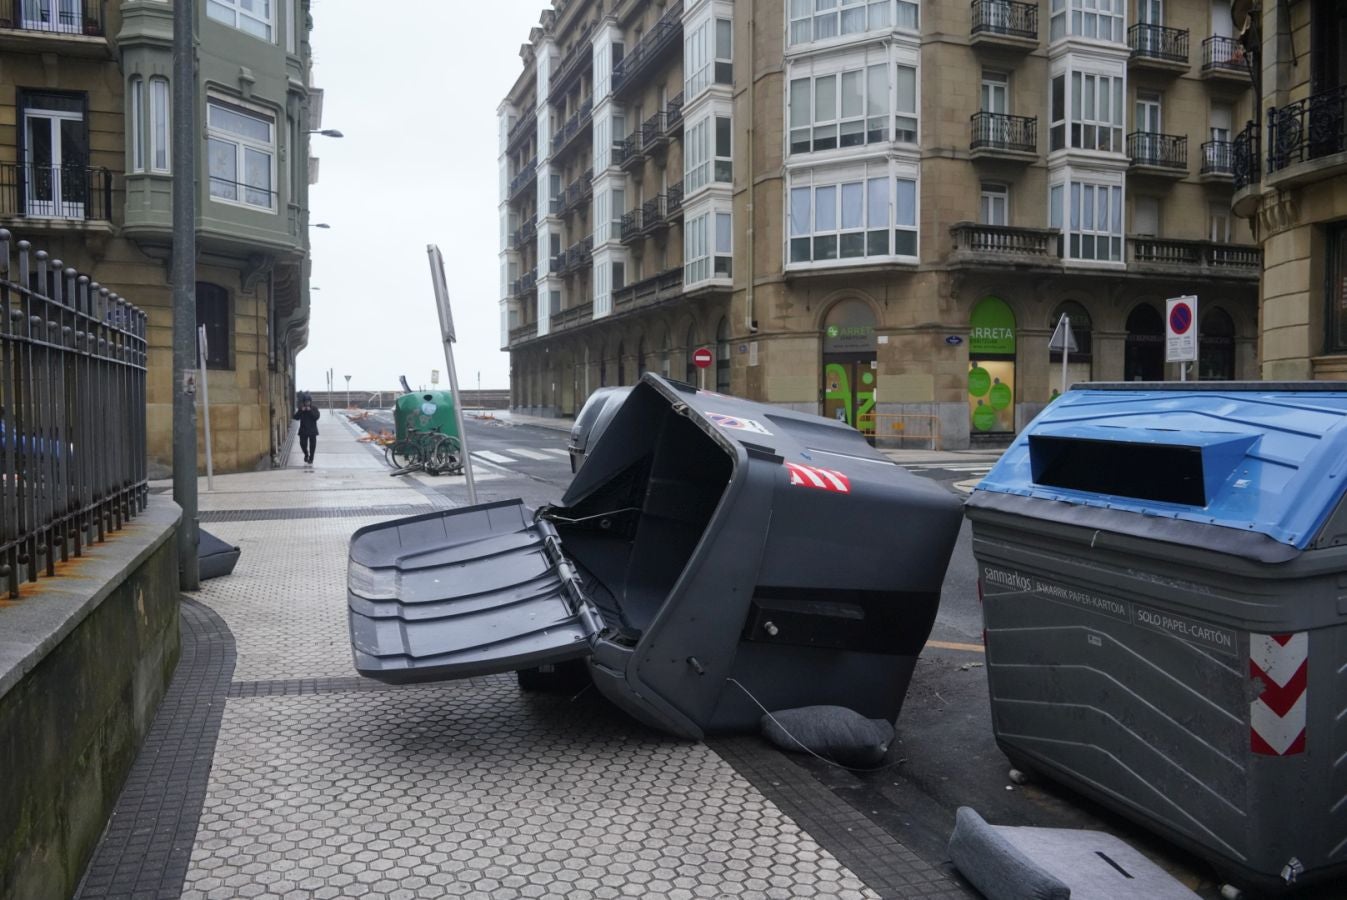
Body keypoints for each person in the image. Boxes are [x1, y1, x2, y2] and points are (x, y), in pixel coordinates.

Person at [294, 396, 320, 464]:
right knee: (302, 444)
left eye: (308, 401)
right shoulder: (301, 409)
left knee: (312, 445)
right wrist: (301, 411)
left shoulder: (314, 408)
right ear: (304, 402)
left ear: (310, 402)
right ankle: (306, 454)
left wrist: (310, 410)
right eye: (305, 402)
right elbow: (295, 417)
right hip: (303, 430)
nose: (307, 403)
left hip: (312, 430)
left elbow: (317, 417)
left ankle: (311, 458)